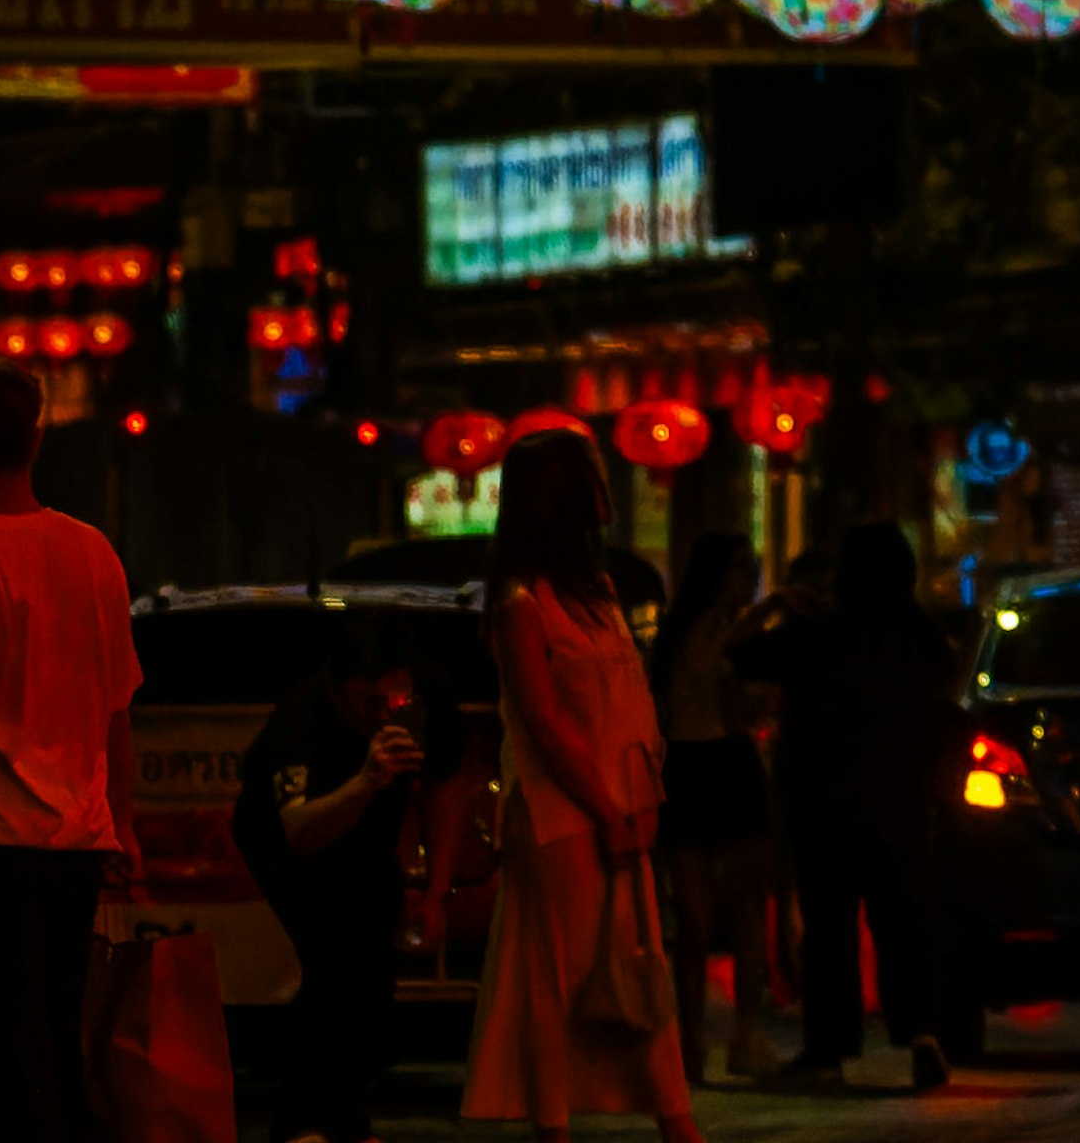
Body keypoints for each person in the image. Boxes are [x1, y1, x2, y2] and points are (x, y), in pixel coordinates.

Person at [460, 436, 692, 1143]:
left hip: (620, 805)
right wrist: (607, 804)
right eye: (590, 478)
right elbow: (547, 723)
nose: (605, 491)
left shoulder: (597, 591)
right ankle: (559, 1124)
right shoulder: (522, 603)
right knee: (556, 973)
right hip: (562, 812)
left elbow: (624, 703)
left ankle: (673, 1120)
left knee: (635, 967)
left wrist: (638, 799)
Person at [0, 366, 134, 1143]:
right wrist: (123, 819)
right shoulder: (94, 553)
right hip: (78, 838)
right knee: (61, 1040)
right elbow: (119, 704)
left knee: (1, 1052)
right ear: (37, 439)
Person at [760, 531, 953, 1099]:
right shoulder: (920, 637)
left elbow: (746, 657)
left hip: (825, 800)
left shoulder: (821, 633)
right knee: (904, 921)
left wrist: (782, 609)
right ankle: (921, 1033)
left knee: (829, 930)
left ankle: (828, 1050)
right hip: (900, 799)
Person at [232, 635, 430, 1143]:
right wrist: (365, 780)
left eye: (396, 699)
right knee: (331, 963)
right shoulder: (300, 725)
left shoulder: (423, 705)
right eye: (370, 701)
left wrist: (426, 882)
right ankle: (303, 1120)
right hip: (290, 842)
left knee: (375, 971)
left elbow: (439, 784)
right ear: (338, 692)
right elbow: (298, 832)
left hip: (368, 843)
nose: (384, 712)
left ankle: (348, 1114)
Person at [649, 542, 770, 1088]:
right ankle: (695, 1039)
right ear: (716, 576)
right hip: (701, 764)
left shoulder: (716, 635)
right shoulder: (697, 634)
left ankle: (737, 1034)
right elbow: (703, 665)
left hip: (715, 761)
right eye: (742, 571)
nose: (749, 582)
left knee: (741, 909)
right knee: (698, 920)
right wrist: (773, 607)